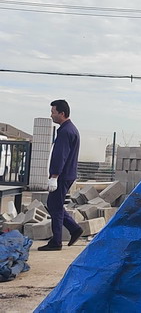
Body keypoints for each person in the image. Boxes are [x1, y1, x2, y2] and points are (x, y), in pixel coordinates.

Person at [39, 99, 83, 251]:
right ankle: (74, 229)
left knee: (55, 207)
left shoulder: (65, 132)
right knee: (54, 205)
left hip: (62, 176)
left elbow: (60, 155)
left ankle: (56, 241)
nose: (51, 115)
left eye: (53, 112)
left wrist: (54, 176)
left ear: (62, 113)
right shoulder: (70, 129)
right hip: (67, 174)